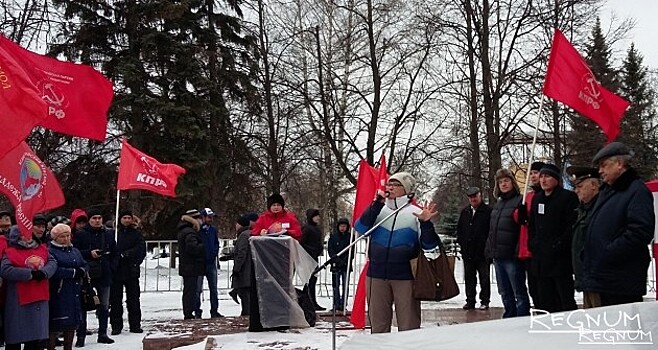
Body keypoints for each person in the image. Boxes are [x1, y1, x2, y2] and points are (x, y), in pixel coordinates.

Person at [355, 172, 440, 333]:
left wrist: (426, 224)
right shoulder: (378, 209)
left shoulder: (416, 212)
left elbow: (429, 246)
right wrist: (376, 205)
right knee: (378, 327)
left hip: (405, 277)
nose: (390, 187)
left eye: (396, 184)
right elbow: (360, 228)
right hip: (376, 275)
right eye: (389, 184)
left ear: (406, 189)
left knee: (408, 326)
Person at [582, 142, 655, 307]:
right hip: (603, 278)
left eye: (604, 165)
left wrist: (607, 253)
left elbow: (640, 232)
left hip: (621, 280)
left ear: (620, 164)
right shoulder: (608, 191)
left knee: (620, 330)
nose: (600, 171)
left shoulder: (636, 191)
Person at [528, 164, 578, 312]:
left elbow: (571, 225)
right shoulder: (537, 199)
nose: (543, 180)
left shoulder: (568, 197)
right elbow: (533, 225)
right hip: (541, 259)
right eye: (541, 176)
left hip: (559, 259)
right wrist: (532, 243)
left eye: (547, 176)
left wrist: (559, 244)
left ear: (556, 179)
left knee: (564, 298)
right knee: (544, 298)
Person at [1, 226, 57, 350]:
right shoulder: (10, 252)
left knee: (35, 338)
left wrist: (44, 273)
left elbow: (53, 263)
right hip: (19, 300)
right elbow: (5, 270)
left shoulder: (42, 248)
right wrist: (29, 274)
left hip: (40, 297)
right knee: (16, 335)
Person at [485, 168, 530, 318]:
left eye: (506, 181)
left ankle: (522, 316)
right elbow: (492, 230)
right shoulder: (498, 204)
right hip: (498, 256)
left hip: (512, 255)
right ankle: (509, 316)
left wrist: (518, 250)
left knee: (518, 290)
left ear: (512, 182)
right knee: (504, 291)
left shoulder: (519, 201)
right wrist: (489, 249)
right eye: (500, 182)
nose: (503, 184)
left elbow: (523, 228)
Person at [72, 208, 119, 345]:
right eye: (94, 218)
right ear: (89, 220)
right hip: (87, 275)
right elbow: (75, 251)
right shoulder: (81, 234)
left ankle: (102, 333)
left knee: (104, 305)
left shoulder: (109, 234)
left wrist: (111, 266)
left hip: (104, 273)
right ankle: (81, 335)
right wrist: (89, 253)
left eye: (99, 218)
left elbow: (115, 252)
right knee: (84, 304)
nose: (97, 221)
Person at [48, 224, 87, 350]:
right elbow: (54, 270)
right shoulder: (50, 251)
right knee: (55, 322)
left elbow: (84, 263)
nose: (66, 239)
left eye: (68, 235)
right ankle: (51, 346)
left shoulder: (74, 250)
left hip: (75, 290)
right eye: (62, 236)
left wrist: (83, 270)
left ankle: (68, 346)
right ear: (55, 238)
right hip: (58, 291)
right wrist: (73, 273)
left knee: (71, 323)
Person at [566, 166, 600, 308]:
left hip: (598, 278)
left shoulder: (600, 208)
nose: (576, 190)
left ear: (593, 185)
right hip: (586, 277)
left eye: (580, 186)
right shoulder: (583, 209)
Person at [110, 211, 147, 334]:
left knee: (133, 299)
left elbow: (140, 250)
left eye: (128, 218)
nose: (126, 220)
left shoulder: (137, 234)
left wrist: (129, 256)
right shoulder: (114, 234)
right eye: (124, 218)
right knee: (115, 300)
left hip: (131, 270)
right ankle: (116, 325)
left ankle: (135, 324)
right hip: (116, 271)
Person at [456, 186, 492, 310]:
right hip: (468, 252)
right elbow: (460, 229)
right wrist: (462, 243)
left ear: (480, 196)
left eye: (475, 196)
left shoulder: (488, 211)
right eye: (470, 197)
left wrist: (487, 246)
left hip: (483, 252)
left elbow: (491, 231)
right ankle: (470, 300)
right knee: (469, 278)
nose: (473, 199)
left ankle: (485, 300)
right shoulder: (465, 212)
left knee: (484, 278)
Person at [177, 209, 206, 320]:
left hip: (187, 265)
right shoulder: (190, 232)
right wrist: (202, 246)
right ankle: (188, 312)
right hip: (191, 266)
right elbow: (192, 248)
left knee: (189, 290)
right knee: (190, 290)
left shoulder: (184, 230)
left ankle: (188, 311)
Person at [230, 213, 259, 316]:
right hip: (251, 269)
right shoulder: (251, 233)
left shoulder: (244, 235)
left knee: (245, 295)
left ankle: (246, 315)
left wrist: (236, 269)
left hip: (245, 270)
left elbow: (242, 253)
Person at [197, 208, 222, 318]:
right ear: (203, 217)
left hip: (211, 262)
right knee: (197, 289)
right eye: (208, 217)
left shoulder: (213, 230)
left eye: (211, 217)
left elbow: (216, 243)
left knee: (214, 288)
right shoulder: (198, 230)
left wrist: (214, 253)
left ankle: (214, 310)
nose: (210, 219)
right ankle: (197, 311)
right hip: (200, 262)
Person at [301, 208, 325, 311]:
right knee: (309, 281)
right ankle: (308, 302)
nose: (318, 218)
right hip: (308, 257)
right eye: (316, 216)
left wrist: (319, 249)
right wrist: (312, 250)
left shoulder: (316, 229)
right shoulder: (307, 228)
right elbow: (302, 243)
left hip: (314, 257)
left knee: (313, 280)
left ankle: (313, 301)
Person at [327, 218, 353, 312]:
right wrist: (337, 261)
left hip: (346, 265)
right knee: (335, 286)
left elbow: (352, 251)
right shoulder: (333, 237)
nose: (342, 228)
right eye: (341, 226)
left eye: (344, 226)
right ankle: (336, 304)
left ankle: (343, 304)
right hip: (335, 266)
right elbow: (331, 250)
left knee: (345, 286)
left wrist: (345, 261)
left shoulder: (350, 237)